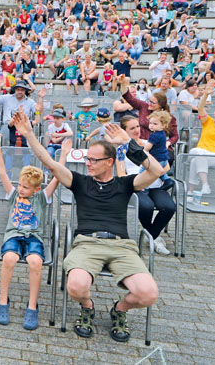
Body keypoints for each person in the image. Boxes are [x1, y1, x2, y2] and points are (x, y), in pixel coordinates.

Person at [12, 109, 162, 343]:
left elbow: (156, 171)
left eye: (93, 160)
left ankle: (119, 309)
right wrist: (30, 135)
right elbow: (50, 164)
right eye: (87, 159)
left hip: (121, 246)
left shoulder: (125, 184)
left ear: (109, 162)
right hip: (87, 243)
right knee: (76, 286)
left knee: (149, 294)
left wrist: (130, 143)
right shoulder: (80, 182)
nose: (87, 163)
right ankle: (87, 306)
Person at [0, 133, 68, 330]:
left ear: (35, 189)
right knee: (9, 259)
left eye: (25, 187)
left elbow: (57, 177)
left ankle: (32, 306)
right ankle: (3, 300)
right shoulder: (13, 194)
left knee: (35, 262)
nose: (20, 189)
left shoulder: (42, 198)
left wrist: (63, 156)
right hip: (14, 235)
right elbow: (2, 174)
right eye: (20, 185)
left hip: (33, 237)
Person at [116, 116, 175, 255]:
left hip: (154, 183)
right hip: (136, 185)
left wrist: (154, 172)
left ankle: (152, 236)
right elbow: (120, 173)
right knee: (146, 206)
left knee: (169, 207)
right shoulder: (121, 149)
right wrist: (130, 185)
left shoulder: (149, 143)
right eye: (132, 128)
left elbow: (165, 166)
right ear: (124, 131)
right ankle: (155, 239)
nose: (137, 130)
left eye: (137, 126)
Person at [186, 80, 215, 194]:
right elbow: (200, 107)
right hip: (202, 154)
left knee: (195, 154)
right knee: (197, 158)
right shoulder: (208, 121)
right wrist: (206, 94)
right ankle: (201, 187)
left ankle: (191, 191)